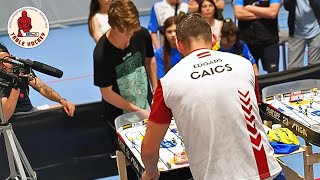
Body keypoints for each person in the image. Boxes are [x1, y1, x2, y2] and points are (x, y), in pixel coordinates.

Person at [141, 13, 284, 180]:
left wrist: (151, 172)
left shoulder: (168, 83)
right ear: (214, 38)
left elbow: (150, 149)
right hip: (267, 172)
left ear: (179, 45)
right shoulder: (244, 65)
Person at [93, 0, 157, 127]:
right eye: (124, 31)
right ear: (112, 25)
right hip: (120, 117)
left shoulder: (142, 34)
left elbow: (150, 62)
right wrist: (137, 111)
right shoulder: (101, 53)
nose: (130, 34)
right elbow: (107, 93)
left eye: (132, 30)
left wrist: (156, 91)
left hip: (146, 106)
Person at [0, 44, 75, 120]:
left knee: (67, 109)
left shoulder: (21, 70)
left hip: (30, 111)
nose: (3, 65)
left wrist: (62, 101)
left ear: (11, 57)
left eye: (6, 60)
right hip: (12, 120)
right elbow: (5, 116)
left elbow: (41, 87)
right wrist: (17, 86)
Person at [233, 0, 282, 73]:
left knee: (273, 73)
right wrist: (265, 14)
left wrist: (249, 8)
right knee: (250, 74)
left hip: (269, 42)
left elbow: (273, 13)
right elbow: (238, 14)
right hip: (248, 43)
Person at [284, 0, 320, 69]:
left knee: (315, 66)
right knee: (293, 68)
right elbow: (287, 6)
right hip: (296, 31)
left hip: (316, 30)